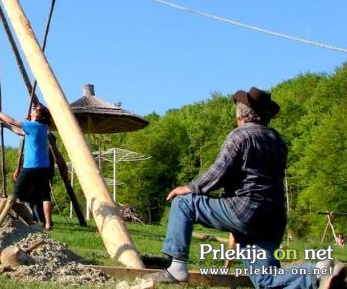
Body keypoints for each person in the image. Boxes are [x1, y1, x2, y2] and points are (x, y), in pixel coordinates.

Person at [148, 87, 345, 289]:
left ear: (240, 114)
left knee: (183, 204)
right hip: (273, 219)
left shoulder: (240, 136)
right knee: (265, 280)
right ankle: (317, 273)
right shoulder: (278, 141)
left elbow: (218, 174)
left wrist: (189, 188)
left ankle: (177, 268)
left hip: (246, 210)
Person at [0, 101, 51, 221]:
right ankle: (48, 223)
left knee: (17, 191)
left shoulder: (31, 125)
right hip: (44, 167)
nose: (32, 110)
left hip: (31, 165)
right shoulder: (43, 127)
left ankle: (6, 216)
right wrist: (7, 127)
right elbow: (20, 132)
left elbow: (12, 120)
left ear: (37, 115)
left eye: (34, 110)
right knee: (45, 195)